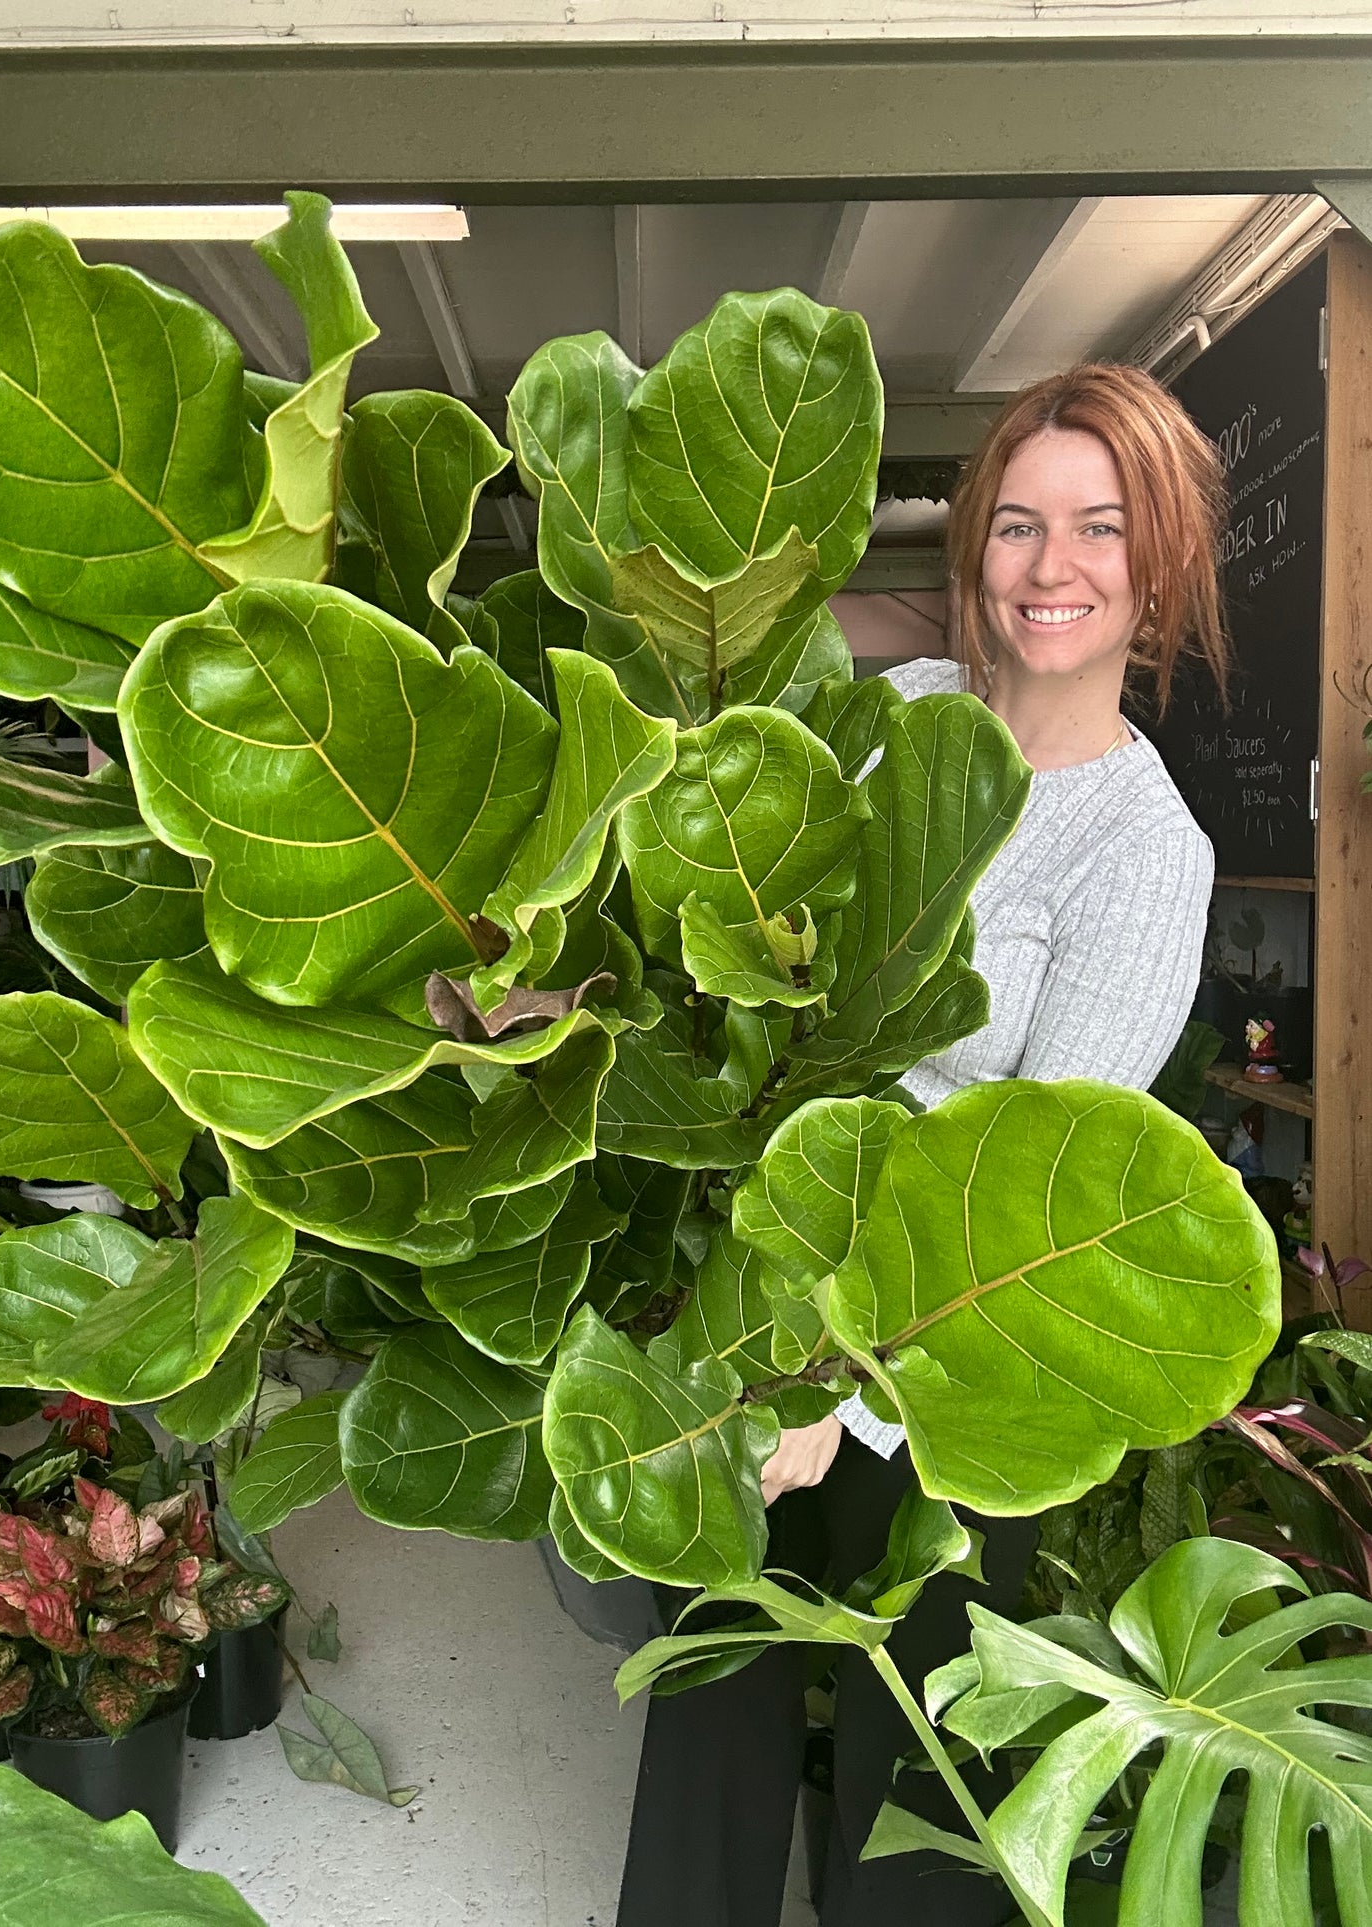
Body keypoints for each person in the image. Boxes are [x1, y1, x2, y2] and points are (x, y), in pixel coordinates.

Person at [616, 362, 1229, 1927]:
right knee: (716, 1694)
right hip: (768, 1300)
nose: (1050, 569)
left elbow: (1024, 1179)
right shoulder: (896, 721)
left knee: (923, 1761)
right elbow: (736, 969)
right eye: (1016, 525)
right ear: (974, 547)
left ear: (1154, 559)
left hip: (955, 1367)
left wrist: (845, 1387)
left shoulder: (1147, 853)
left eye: (1098, 529)